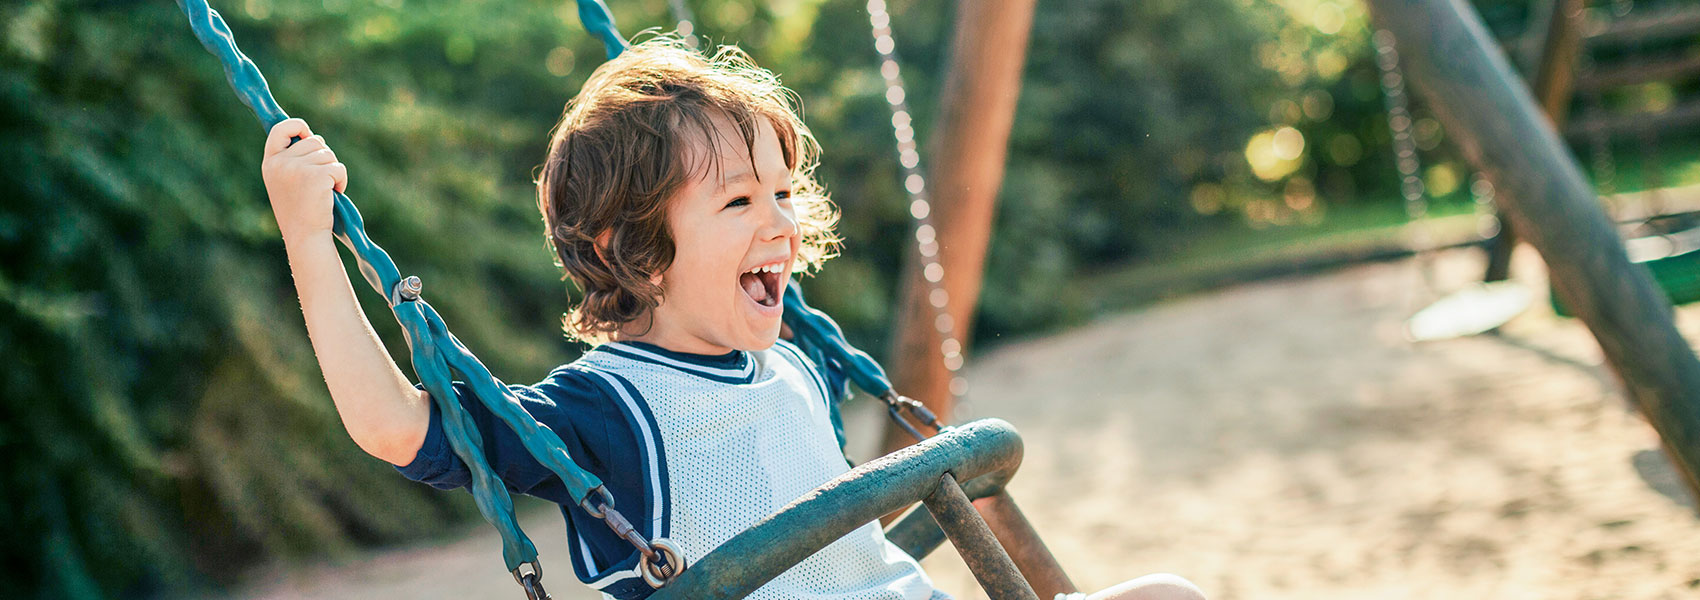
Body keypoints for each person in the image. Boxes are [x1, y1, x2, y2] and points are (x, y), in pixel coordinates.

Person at [260, 35, 1204, 600]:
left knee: (1167, 594)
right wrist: (309, 237)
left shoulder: (795, 363)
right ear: (633, 249)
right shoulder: (603, 416)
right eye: (740, 201)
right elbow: (396, 426)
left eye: (784, 192)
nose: (782, 222)